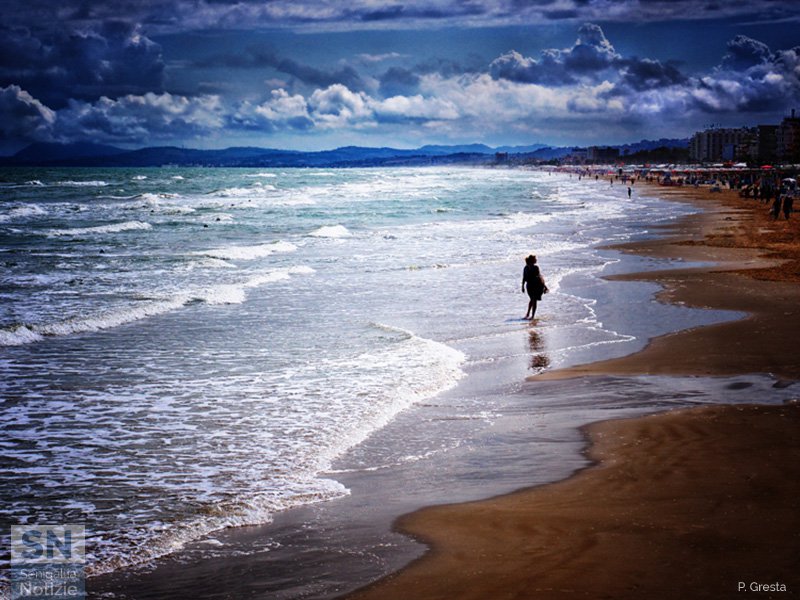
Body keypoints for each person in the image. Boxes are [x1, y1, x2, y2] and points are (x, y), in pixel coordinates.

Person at [522, 255, 548, 320]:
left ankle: (530, 315)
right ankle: (529, 315)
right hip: (533, 286)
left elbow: (538, 277)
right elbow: (539, 277)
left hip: (534, 285)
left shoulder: (527, 267)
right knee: (532, 300)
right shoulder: (533, 267)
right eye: (535, 259)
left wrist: (545, 286)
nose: (536, 260)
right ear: (532, 260)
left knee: (533, 300)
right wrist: (522, 286)